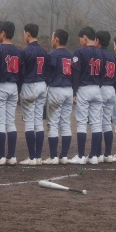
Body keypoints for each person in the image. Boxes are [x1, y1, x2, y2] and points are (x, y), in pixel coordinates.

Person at [69, 27, 103, 165]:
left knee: (82, 123)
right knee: (96, 123)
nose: (80, 41)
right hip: (97, 88)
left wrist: (74, 92)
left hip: (83, 88)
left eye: (80, 39)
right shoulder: (100, 53)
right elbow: (102, 73)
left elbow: (76, 73)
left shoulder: (79, 52)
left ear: (84, 37)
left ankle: (81, 156)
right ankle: (93, 156)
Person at [0, 21, 21, 166]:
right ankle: (11, 156)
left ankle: (1, 156)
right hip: (13, 86)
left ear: (3, 33)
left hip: (0, 86)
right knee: (11, 122)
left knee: (0, 122)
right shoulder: (18, 51)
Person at [42, 29, 74, 165]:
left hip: (56, 89)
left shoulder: (52, 55)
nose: (51, 40)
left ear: (56, 39)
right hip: (69, 90)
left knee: (53, 123)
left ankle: (54, 156)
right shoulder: (71, 56)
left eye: (52, 37)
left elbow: (46, 74)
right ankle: (64, 156)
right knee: (65, 123)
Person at [18, 23, 48, 165]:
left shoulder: (25, 52)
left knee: (29, 123)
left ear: (28, 34)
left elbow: (21, 73)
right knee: (38, 122)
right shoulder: (43, 51)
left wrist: (19, 91)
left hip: (29, 85)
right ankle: (38, 157)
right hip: (42, 85)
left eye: (24, 33)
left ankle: (31, 157)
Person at [96, 30, 116, 163]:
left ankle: (98, 154)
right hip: (111, 89)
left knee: (97, 123)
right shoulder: (112, 55)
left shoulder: (98, 54)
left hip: (102, 88)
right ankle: (108, 154)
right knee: (107, 123)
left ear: (97, 40)